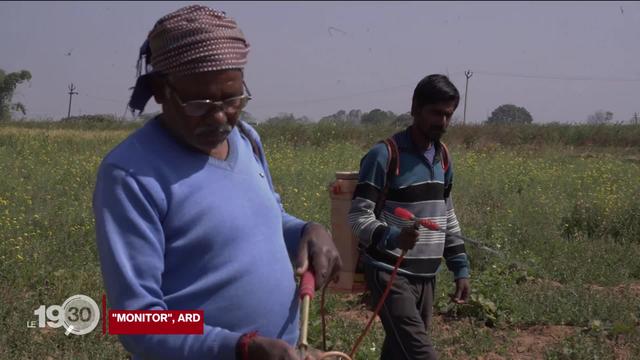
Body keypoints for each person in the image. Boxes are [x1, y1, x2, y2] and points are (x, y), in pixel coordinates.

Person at [92, 5, 341, 360]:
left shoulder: (246, 139)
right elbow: (138, 321)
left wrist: (306, 230)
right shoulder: (131, 175)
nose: (222, 117)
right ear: (161, 91)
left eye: (232, 99)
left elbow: (265, 220)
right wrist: (239, 347)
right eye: (200, 104)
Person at [348, 74, 471, 360]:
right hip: (389, 272)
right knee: (421, 354)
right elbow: (357, 217)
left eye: (448, 115)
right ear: (415, 108)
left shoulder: (443, 157)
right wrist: (393, 237)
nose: (441, 122)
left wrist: (460, 267)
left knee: (399, 353)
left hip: (426, 276)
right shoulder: (385, 155)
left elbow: (446, 216)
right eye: (435, 113)